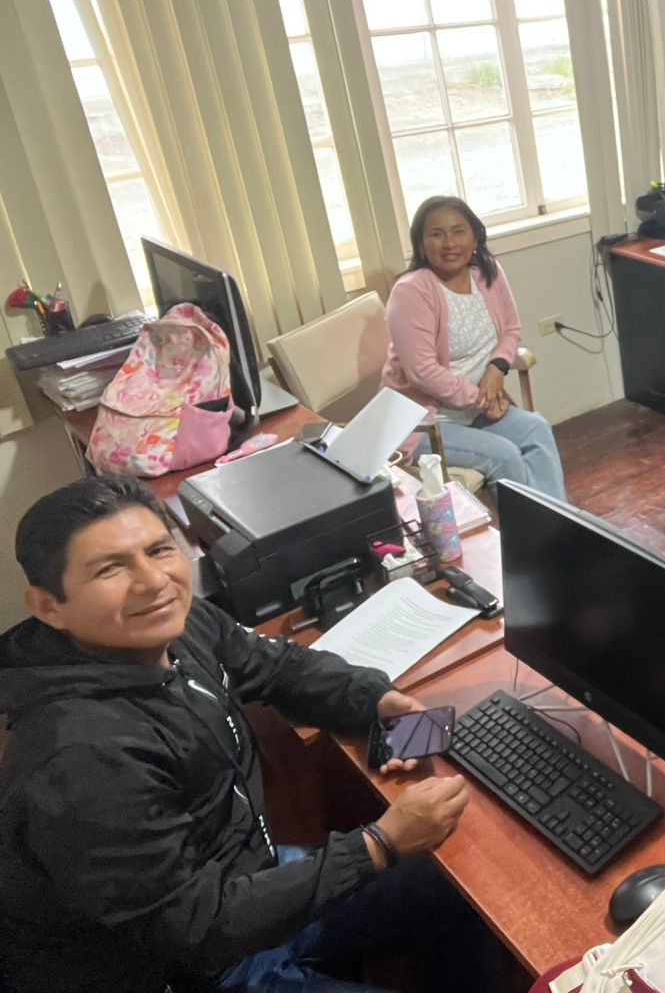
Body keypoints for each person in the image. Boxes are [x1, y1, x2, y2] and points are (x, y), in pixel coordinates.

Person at [0, 476, 500, 993]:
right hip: (195, 965)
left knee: (454, 885)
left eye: (159, 550)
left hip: (244, 880)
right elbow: (192, 929)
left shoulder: (173, 623)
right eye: (110, 568)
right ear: (48, 606)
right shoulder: (81, 758)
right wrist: (377, 844)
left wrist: (375, 698)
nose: (153, 581)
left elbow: (276, 666)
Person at [384, 195, 566, 499]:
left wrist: (497, 368)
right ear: (421, 243)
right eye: (436, 234)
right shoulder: (410, 291)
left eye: (459, 231)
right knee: (505, 455)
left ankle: (557, 523)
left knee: (538, 429)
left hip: (477, 409)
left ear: (475, 237)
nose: (449, 243)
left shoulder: (487, 271)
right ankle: (529, 529)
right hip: (425, 423)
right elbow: (422, 372)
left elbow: (511, 330)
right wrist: (482, 398)